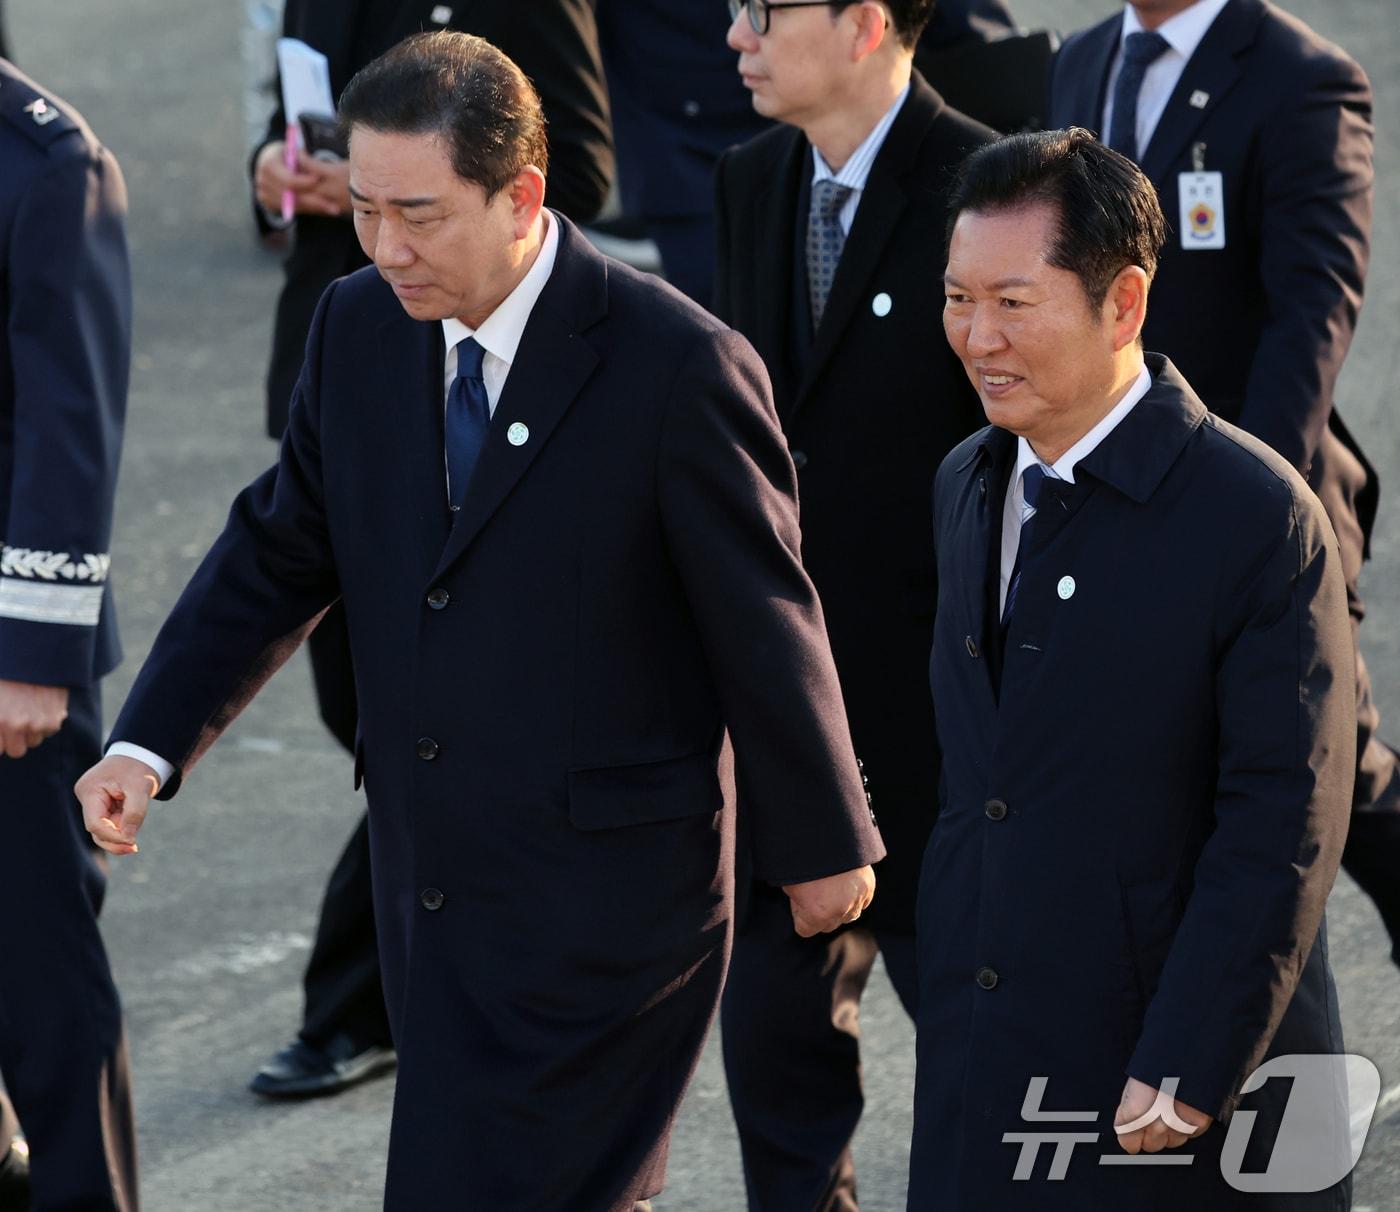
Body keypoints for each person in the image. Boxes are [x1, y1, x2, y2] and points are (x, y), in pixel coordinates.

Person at [76, 32, 884, 1210]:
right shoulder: (357, 328)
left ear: (523, 197)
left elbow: (762, 614)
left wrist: (819, 846)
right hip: (437, 897)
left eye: (419, 215)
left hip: (612, 913)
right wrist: (148, 746)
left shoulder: (674, 365)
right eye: (361, 210)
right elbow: (277, 548)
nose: (387, 248)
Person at [913, 127, 1355, 1209]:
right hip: (986, 1045)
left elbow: (1279, 822)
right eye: (957, 299)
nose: (976, 337)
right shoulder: (968, 480)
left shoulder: (1252, 518)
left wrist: (1186, 1066)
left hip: (1171, 1084)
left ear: (1123, 303)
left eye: (1013, 303)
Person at [245, 0, 616, 1099]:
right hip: (349, 374)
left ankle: (360, 1003)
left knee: (430, 719)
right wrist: (281, 176)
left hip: (486, 391)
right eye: (375, 209)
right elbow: (285, 131)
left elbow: (580, 173)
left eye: (407, 207)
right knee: (372, 709)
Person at [1047, 0, 1400, 965]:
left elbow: (1310, 319)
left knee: (1321, 771)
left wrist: (1247, 500)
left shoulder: (1303, 78)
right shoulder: (1080, 64)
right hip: (1107, 487)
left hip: (1252, 497)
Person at [712, 2, 992, 1207]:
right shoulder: (750, 178)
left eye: (764, 11)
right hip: (788, 713)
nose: (734, 34)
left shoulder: (989, 189)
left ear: (867, 22)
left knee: (985, 1067)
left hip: (944, 715)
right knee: (776, 1056)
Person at [0, 54, 137, 1212]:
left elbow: (69, 421)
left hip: (5, 668)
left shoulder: (45, 161)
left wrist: (34, 656)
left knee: (42, 994)